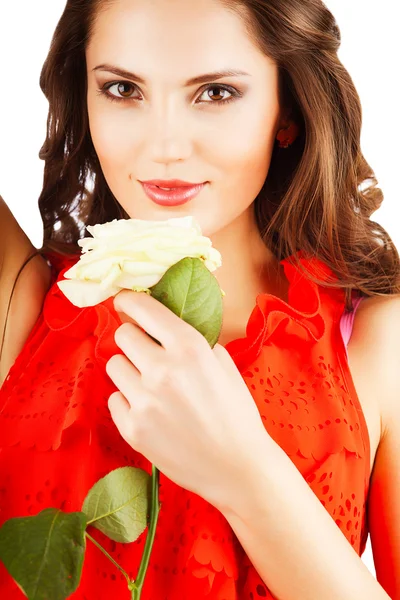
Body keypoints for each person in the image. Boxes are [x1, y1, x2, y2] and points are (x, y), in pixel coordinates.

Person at [0, 0, 399, 598]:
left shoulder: (378, 344)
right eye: (122, 88)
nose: (165, 146)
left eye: (215, 93)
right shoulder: (25, 304)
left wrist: (243, 470)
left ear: (286, 109)